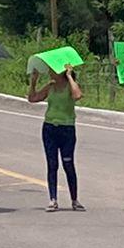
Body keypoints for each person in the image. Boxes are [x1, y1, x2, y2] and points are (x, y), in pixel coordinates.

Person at [28, 63, 83, 212]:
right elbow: (33, 98)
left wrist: (70, 76)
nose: (50, 72)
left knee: (68, 164)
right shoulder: (50, 86)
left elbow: (77, 95)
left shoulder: (70, 86)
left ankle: (74, 199)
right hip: (50, 127)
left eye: (53, 70)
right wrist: (33, 81)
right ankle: (53, 199)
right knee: (52, 165)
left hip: (67, 129)